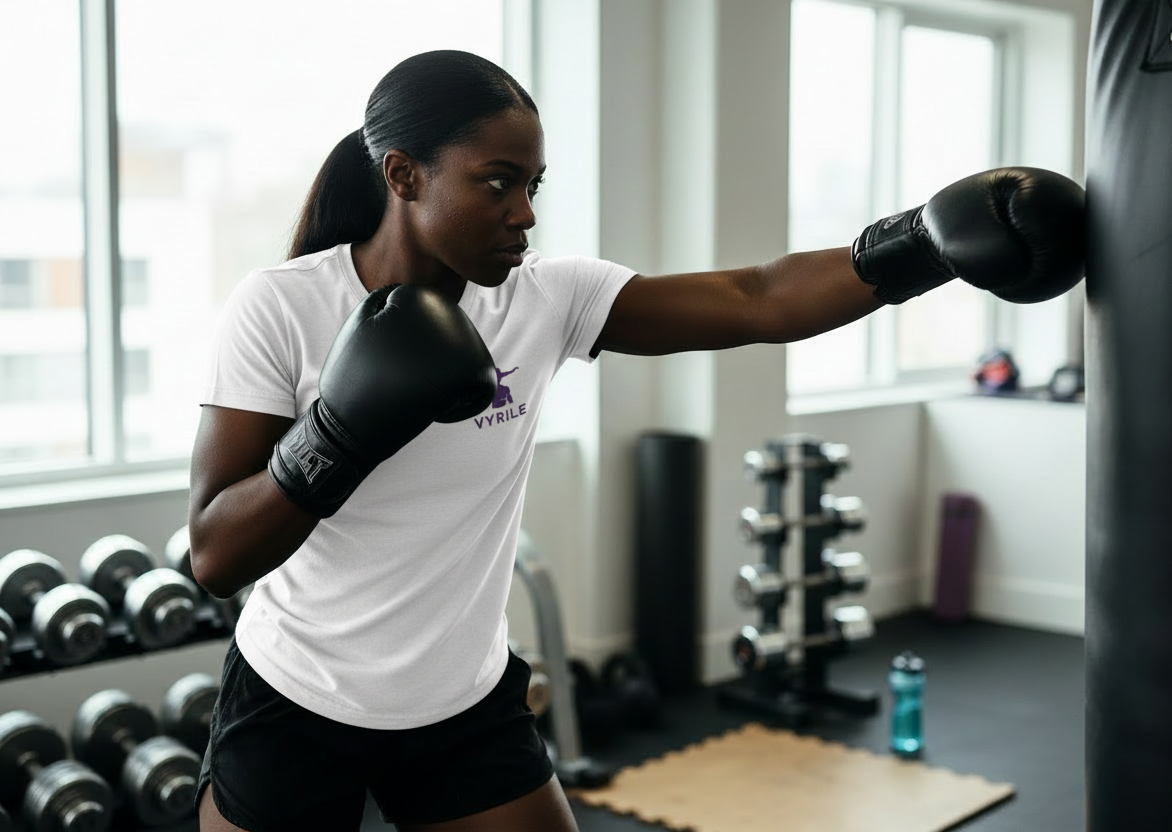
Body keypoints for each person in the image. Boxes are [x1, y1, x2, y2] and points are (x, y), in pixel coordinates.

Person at [189, 50, 1084, 832]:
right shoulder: (283, 307)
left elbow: (755, 298)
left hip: (459, 705)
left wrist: (919, 245)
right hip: (297, 699)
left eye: (533, 187)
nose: (524, 215)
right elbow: (217, 554)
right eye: (495, 182)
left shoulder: (543, 298)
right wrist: (339, 434)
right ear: (403, 174)